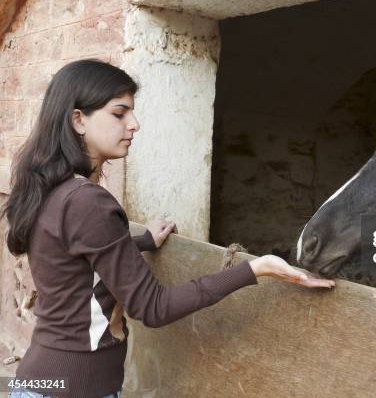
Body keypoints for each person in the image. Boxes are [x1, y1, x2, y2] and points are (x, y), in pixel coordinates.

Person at [1, 59, 335, 398]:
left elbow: (78, 255)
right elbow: (152, 307)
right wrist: (255, 268)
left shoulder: (51, 187)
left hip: (40, 379)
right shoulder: (88, 202)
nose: (134, 125)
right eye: (119, 114)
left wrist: (144, 240)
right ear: (78, 120)